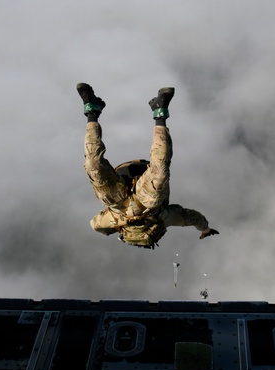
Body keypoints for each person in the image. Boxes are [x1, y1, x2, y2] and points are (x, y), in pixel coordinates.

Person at [77, 83, 218, 249]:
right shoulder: (165, 218)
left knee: (93, 166)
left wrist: (205, 229)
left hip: (119, 200)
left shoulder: (109, 221)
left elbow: (95, 224)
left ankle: (92, 110)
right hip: (148, 199)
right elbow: (194, 218)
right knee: (159, 175)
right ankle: (160, 112)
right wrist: (205, 229)